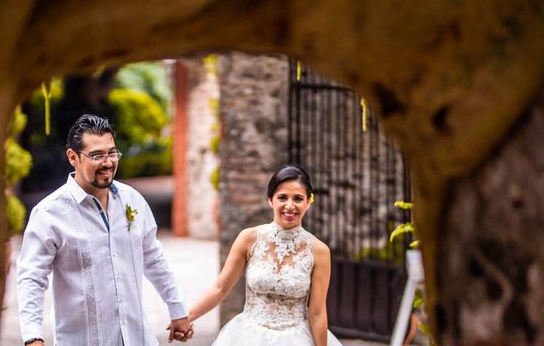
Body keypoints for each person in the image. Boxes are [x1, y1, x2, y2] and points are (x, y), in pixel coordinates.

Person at [17, 114, 193, 345]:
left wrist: (177, 308)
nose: (108, 162)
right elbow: (32, 277)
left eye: (112, 153)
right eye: (97, 155)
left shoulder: (133, 201)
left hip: (138, 338)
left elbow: (152, 257)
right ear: (73, 157)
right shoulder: (49, 213)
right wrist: (32, 336)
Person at [186, 164, 344, 346]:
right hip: (247, 336)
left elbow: (317, 312)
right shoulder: (249, 239)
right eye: (282, 197)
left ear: (308, 203)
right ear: (271, 200)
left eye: (298, 198)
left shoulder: (319, 251)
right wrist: (185, 317)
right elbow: (220, 288)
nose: (290, 205)